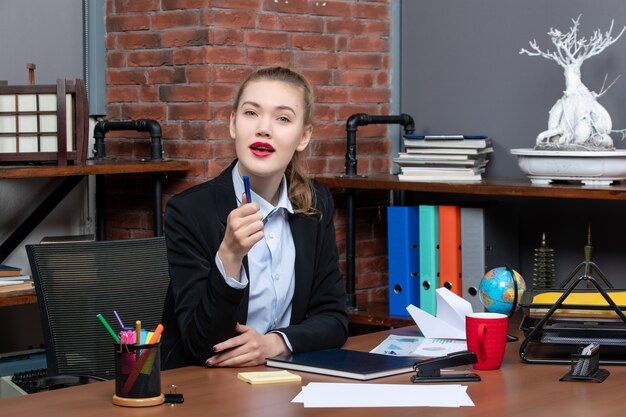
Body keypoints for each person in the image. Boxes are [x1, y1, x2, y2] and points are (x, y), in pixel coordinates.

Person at [161, 66, 349, 370]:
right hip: (204, 387)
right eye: (251, 113)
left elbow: (334, 318)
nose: (264, 128)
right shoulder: (190, 211)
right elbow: (201, 345)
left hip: (283, 378)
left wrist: (274, 343)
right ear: (234, 124)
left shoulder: (316, 204)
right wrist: (230, 256)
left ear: (303, 136)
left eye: (283, 118)